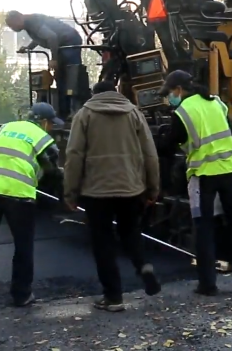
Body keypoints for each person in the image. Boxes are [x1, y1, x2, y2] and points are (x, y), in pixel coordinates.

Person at [157, 70, 232, 296]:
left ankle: (207, 285)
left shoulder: (182, 112)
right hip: (230, 171)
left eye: (170, 93)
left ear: (179, 90)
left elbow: (168, 147)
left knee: (204, 229)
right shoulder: (217, 104)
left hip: (204, 176)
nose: (170, 98)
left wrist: (157, 141)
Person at [63, 81, 162, 312]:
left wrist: (70, 192)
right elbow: (150, 154)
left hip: (96, 191)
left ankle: (113, 297)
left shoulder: (84, 114)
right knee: (131, 233)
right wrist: (152, 188)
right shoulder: (134, 113)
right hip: (131, 187)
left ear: (94, 94)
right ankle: (143, 266)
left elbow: (74, 155)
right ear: (116, 92)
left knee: (103, 242)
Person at [0, 103, 62, 313]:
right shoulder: (42, 138)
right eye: (51, 124)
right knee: (23, 246)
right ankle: (21, 294)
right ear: (44, 121)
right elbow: (52, 169)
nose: (51, 127)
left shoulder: (5, 128)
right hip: (19, 195)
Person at [5, 11, 84, 120]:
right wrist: (29, 48)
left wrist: (54, 59)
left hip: (69, 41)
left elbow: (52, 37)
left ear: (18, 19)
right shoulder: (29, 24)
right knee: (59, 77)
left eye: (12, 25)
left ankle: (74, 110)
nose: (12, 28)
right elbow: (40, 36)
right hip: (63, 43)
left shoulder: (33, 22)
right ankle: (63, 112)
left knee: (71, 74)